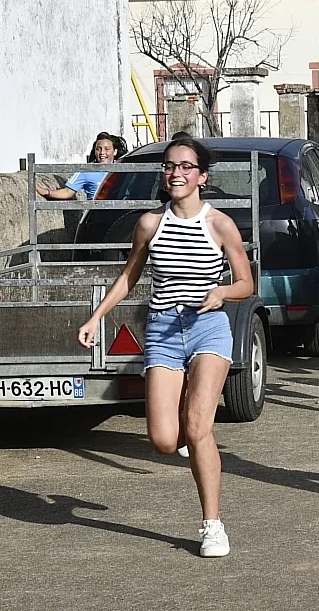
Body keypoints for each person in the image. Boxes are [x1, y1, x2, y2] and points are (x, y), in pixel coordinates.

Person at [77, 137, 253, 558]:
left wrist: (221, 293)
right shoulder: (149, 223)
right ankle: (190, 417)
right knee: (161, 440)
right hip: (163, 331)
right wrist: (96, 317)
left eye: (186, 166)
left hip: (208, 329)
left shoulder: (220, 224)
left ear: (202, 176)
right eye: (170, 166)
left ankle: (213, 526)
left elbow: (247, 283)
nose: (177, 173)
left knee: (198, 428)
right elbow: (129, 276)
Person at [36, 132, 128, 200]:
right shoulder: (86, 170)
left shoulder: (124, 169)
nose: (102, 153)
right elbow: (67, 192)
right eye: (98, 149)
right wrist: (46, 192)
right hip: (97, 216)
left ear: (115, 152)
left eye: (107, 149)